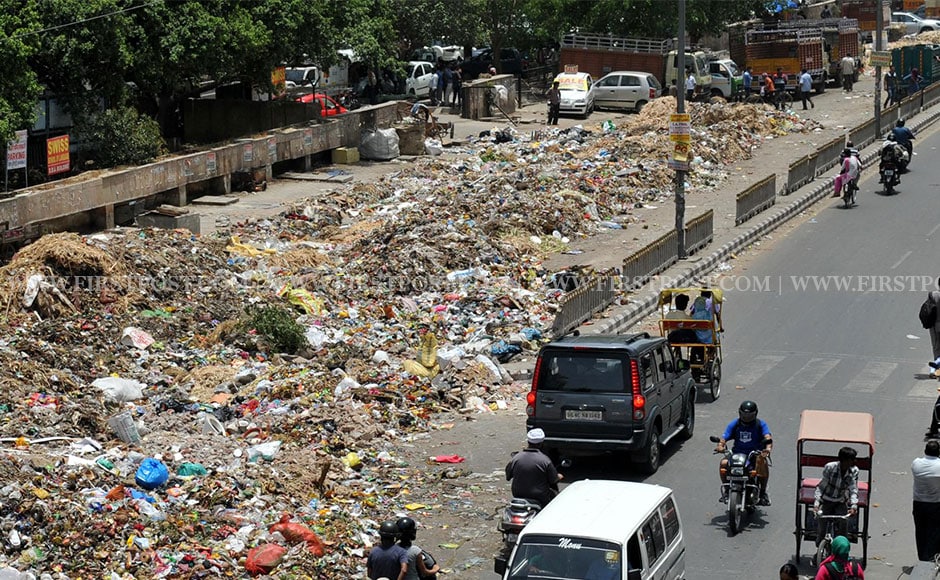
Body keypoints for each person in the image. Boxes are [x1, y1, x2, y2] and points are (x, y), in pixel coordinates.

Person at [715, 400, 773, 505]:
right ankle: (727, 490)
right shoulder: (735, 424)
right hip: (737, 454)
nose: (746, 417)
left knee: (763, 464)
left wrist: (767, 449)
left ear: (755, 414)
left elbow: (768, 438)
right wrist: (720, 446)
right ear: (739, 413)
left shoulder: (760, 424)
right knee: (723, 463)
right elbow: (724, 438)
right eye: (744, 414)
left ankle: (763, 493)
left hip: (754, 455)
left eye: (749, 414)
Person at [505, 428, 563, 507]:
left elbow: (508, 476)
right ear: (542, 444)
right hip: (540, 496)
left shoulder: (516, 458)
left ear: (528, 442)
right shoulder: (545, 460)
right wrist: (559, 477)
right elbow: (553, 480)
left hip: (517, 493)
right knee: (557, 497)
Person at [814, 447, 859, 545]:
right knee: (822, 524)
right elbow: (821, 486)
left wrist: (854, 505)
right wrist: (816, 504)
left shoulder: (853, 471)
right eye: (850, 460)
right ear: (843, 460)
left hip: (840, 501)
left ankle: (842, 548)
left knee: (843, 523)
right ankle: (820, 546)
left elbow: (853, 489)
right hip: (827, 500)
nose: (852, 462)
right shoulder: (830, 467)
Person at [912, 440, 940, 561]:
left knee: (920, 530)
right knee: (934, 530)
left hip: (918, 503)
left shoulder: (916, 463)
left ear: (925, 451)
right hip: (935, 504)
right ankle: (932, 555)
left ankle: (923, 556)